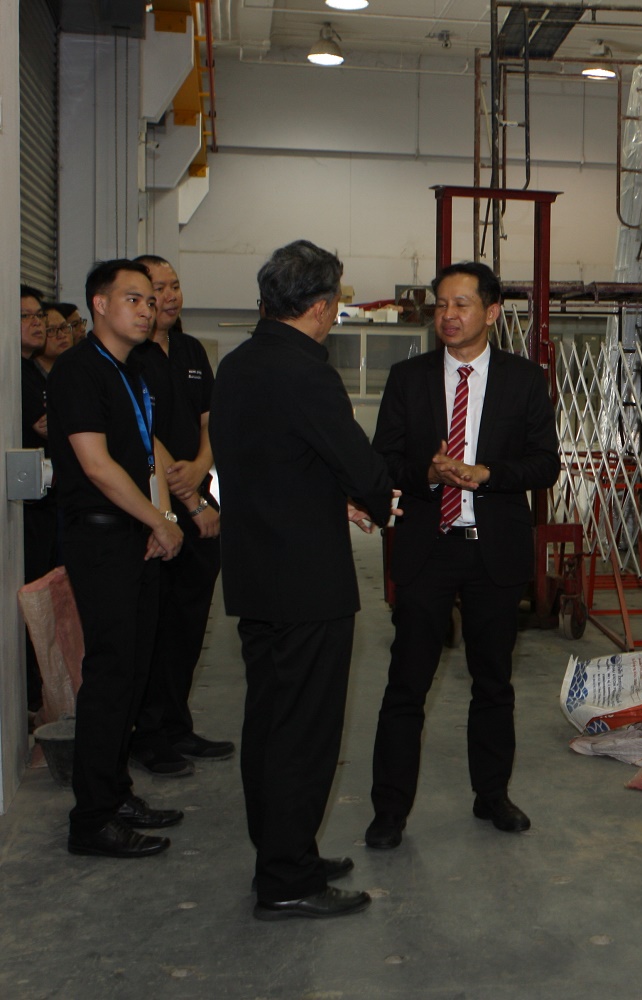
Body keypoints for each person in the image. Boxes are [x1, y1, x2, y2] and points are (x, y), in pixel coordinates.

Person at [212, 240, 396, 921]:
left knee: (269, 722)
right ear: (321, 307)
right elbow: (360, 465)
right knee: (305, 732)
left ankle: (281, 852)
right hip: (307, 581)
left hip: (255, 572)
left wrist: (327, 495)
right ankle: (287, 879)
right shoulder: (307, 373)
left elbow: (271, 462)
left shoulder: (237, 365)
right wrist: (377, 499)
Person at [364, 261, 559, 850]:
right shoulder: (408, 378)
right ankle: (389, 811)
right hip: (427, 549)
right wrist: (426, 473)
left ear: (491, 312)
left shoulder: (524, 380)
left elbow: (545, 463)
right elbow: (383, 458)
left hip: (492, 551)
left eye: (462, 305)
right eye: (441, 305)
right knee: (406, 684)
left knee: (493, 683)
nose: (448, 316)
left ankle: (492, 795)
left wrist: (487, 474)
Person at [48, 259, 184, 858]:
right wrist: (157, 520)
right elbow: (98, 466)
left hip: (136, 536)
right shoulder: (79, 370)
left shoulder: (132, 369)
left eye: (150, 300)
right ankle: (92, 819)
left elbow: (147, 451)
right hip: (102, 538)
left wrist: (163, 521)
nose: (147, 309)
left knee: (133, 670)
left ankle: (114, 790)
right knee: (109, 675)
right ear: (99, 305)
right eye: (134, 298)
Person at [127, 254, 234, 778]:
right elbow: (143, 437)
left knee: (188, 626)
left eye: (174, 286)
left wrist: (200, 469)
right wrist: (190, 497)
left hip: (196, 497)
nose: (168, 297)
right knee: (154, 626)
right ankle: (147, 735)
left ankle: (176, 724)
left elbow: (210, 420)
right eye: (156, 289)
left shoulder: (191, 350)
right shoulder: (130, 356)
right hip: (154, 509)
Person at [19, 285, 53, 713]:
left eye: (39, 315)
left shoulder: (37, 372)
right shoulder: (14, 371)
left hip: (46, 503)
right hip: (23, 508)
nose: (37, 323)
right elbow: (43, 425)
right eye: (25, 316)